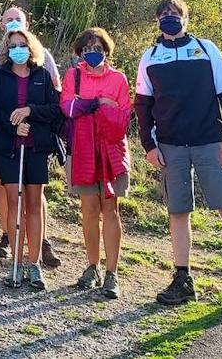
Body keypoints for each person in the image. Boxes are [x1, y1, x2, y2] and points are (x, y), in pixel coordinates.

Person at [135, 0, 222, 313]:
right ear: (157, 21)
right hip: (170, 147)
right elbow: (142, 104)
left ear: (186, 18)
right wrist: (149, 146)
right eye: (164, 14)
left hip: (211, 142)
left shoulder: (206, 49)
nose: (170, 18)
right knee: (178, 212)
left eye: (176, 13)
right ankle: (183, 280)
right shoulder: (150, 56)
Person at [0, 27, 63, 290]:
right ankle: (16, 264)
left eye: (22, 44)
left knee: (34, 206)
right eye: (13, 45)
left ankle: (35, 263)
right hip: (8, 148)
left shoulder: (42, 74)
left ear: (31, 48)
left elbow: (55, 109)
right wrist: (12, 126)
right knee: (14, 205)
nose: (18, 49)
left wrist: (30, 110)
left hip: (36, 148)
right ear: (7, 49)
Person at [61, 27, 131, 299]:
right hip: (83, 149)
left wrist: (86, 105)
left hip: (111, 150)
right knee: (89, 209)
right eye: (87, 49)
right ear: (80, 52)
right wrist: (99, 103)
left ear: (106, 50)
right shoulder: (73, 75)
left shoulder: (118, 78)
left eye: (98, 48)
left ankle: (112, 272)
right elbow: (67, 107)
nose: (93, 53)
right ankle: (92, 266)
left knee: (110, 210)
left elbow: (124, 116)